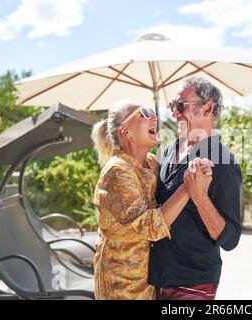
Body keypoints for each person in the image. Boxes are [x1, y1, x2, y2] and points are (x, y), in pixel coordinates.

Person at [91, 100, 212, 300]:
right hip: (121, 285)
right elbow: (148, 226)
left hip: (148, 280)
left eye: (152, 112)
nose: (153, 117)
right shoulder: (117, 170)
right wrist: (189, 187)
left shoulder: (151, 163)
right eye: (143, 114)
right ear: (125, 132)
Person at [149, 77, 242, 300]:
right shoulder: (170, 149)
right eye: (172, 106)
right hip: (158, 278)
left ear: (207, 107)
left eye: (181, 106)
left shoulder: (223, 162)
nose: (174, 114)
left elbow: (230, 240)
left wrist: (200, 198)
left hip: (194, 283)